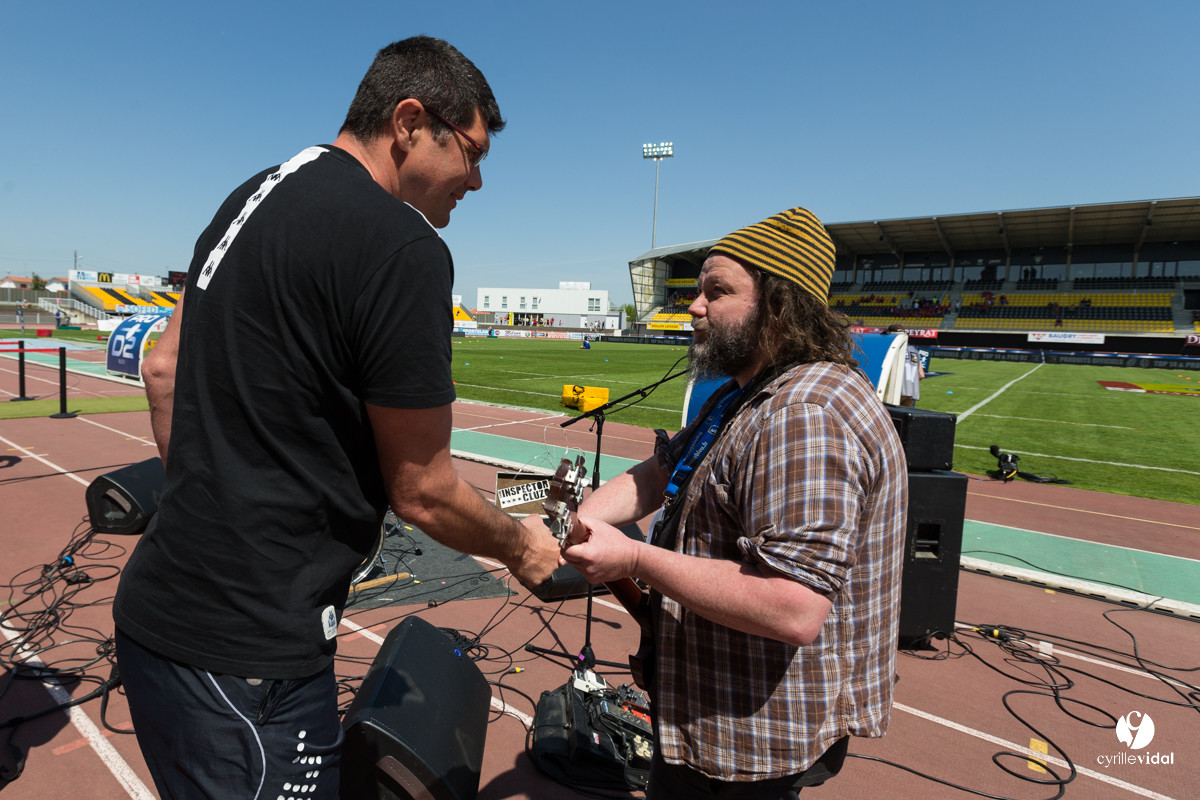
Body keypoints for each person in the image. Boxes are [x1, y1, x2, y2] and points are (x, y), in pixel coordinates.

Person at [112, 36, 560, 800]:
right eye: (471, 154)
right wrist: (524, 546)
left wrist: (209, 504)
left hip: (157, 612)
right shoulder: (401, 246)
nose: (477, 182)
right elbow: (422, 491)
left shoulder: (251, 194)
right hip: (254, 658)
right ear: (411, 121)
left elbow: (163, 369)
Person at [554, 207, 907, 798]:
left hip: (752, 737)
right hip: (711, 709)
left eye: (718, 292)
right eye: (698, 290)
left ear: (779, 305)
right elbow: (657, 472)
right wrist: (578, 518)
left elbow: (793, 607)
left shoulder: (804, 416)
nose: (695, 306)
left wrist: (635, 561)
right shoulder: (743, 393)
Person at [887, 324, 925, 407]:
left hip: (895, 391)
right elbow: (921, 375)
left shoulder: (891, 349)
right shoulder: (915, 351)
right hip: (911, 392)